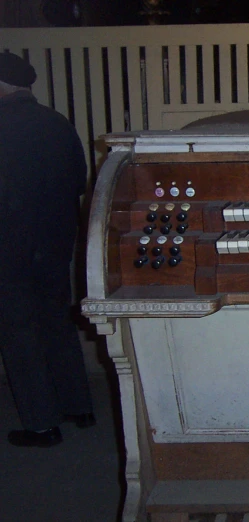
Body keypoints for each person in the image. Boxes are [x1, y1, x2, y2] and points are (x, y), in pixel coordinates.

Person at [0, 51, 94, 447]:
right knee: (57, 322)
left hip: (9, 245)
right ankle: (79, 405)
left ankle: (41, 424)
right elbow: (79, 180)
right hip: (56, 242)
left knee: (19, 331)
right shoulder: (57, 124)